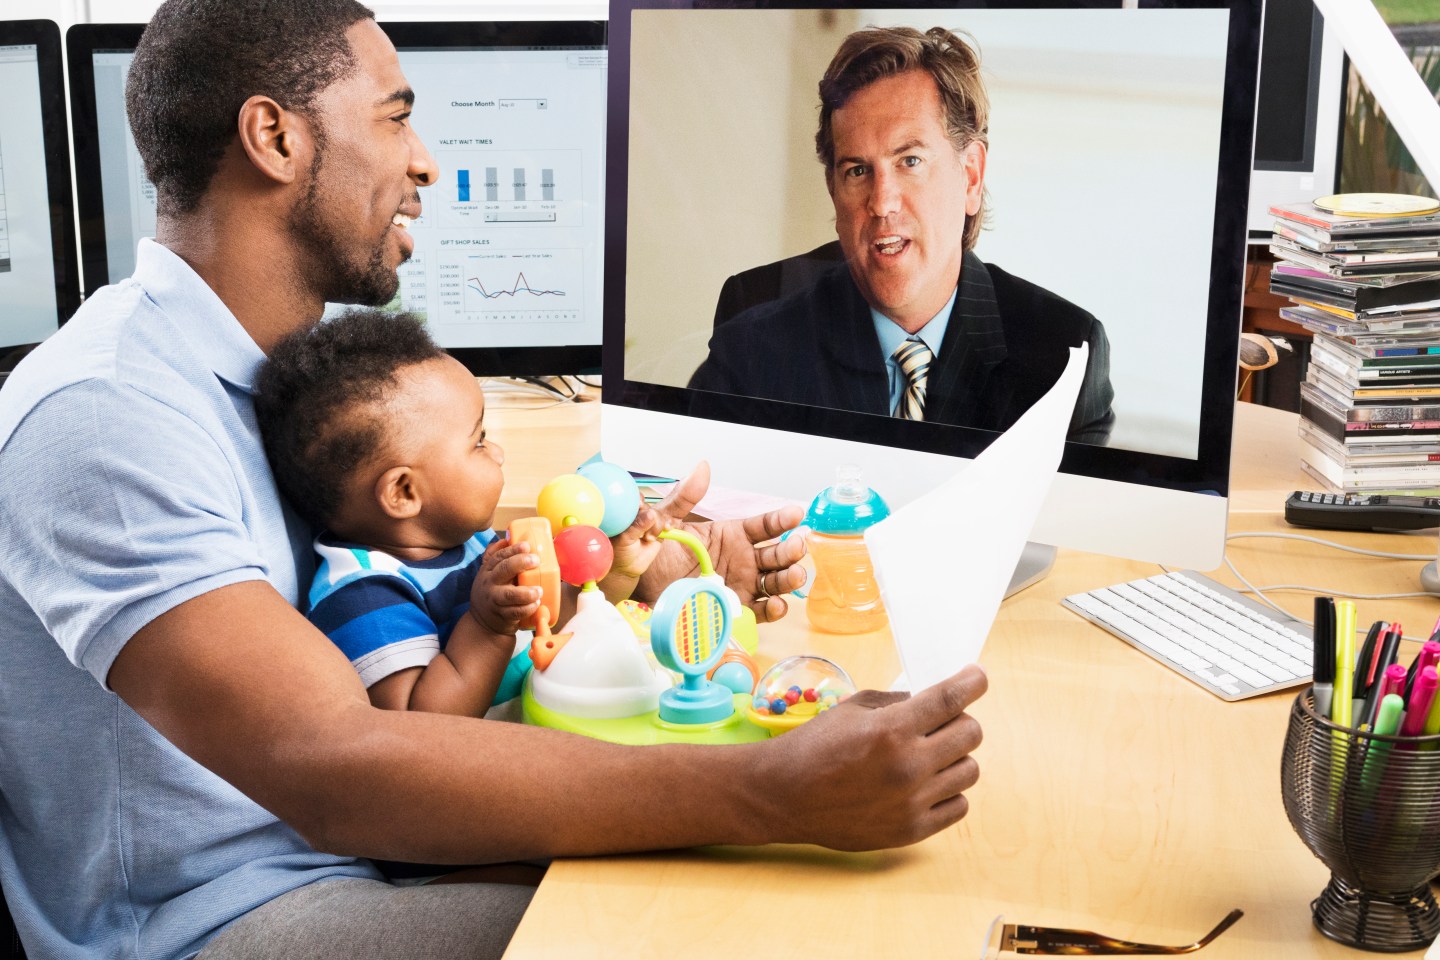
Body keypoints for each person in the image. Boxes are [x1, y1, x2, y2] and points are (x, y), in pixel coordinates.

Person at [0, 3, 987, 959]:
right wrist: (774, 789)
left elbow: (431, 597)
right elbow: (338, 760)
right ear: (274, 136)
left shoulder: (280, 382)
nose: (425, 157)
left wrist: (647, 582)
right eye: (394, 114)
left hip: (355, 853)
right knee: (722, 922)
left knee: (772, 880)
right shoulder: (108, 417)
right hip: (233, 914)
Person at [688, 25, 1115, 445]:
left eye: (909, 161)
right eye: (857, 171)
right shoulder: (756, 324)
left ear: (970, 176)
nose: (882, 202)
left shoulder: (1063, 354)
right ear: (833, 192)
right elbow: (695, 492)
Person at [253, 308, 660, 721]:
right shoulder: (363, 594)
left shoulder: (466, 539)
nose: (498, 452)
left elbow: (552, 618)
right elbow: (419, 723)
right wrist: (487, 627)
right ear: (404, 492)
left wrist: (616, 573)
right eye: (479, 441)